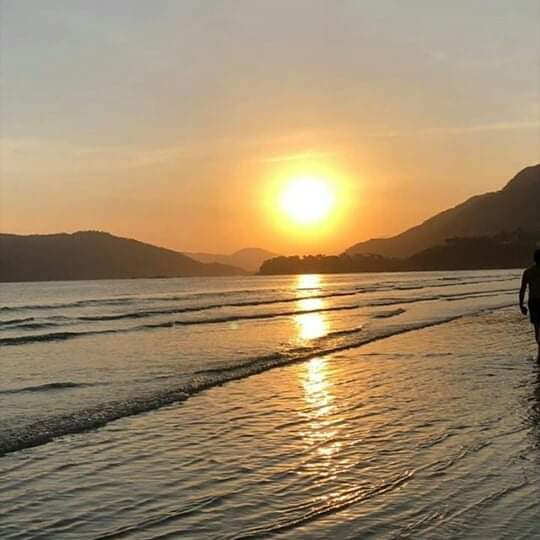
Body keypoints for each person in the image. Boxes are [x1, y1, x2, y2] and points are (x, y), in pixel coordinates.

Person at [520, 249, 540, 361]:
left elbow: (522, 289)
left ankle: (539, 348)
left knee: (536, 327)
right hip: (536, 302)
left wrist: (521, 305)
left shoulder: (528, 272)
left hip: (534, 302)